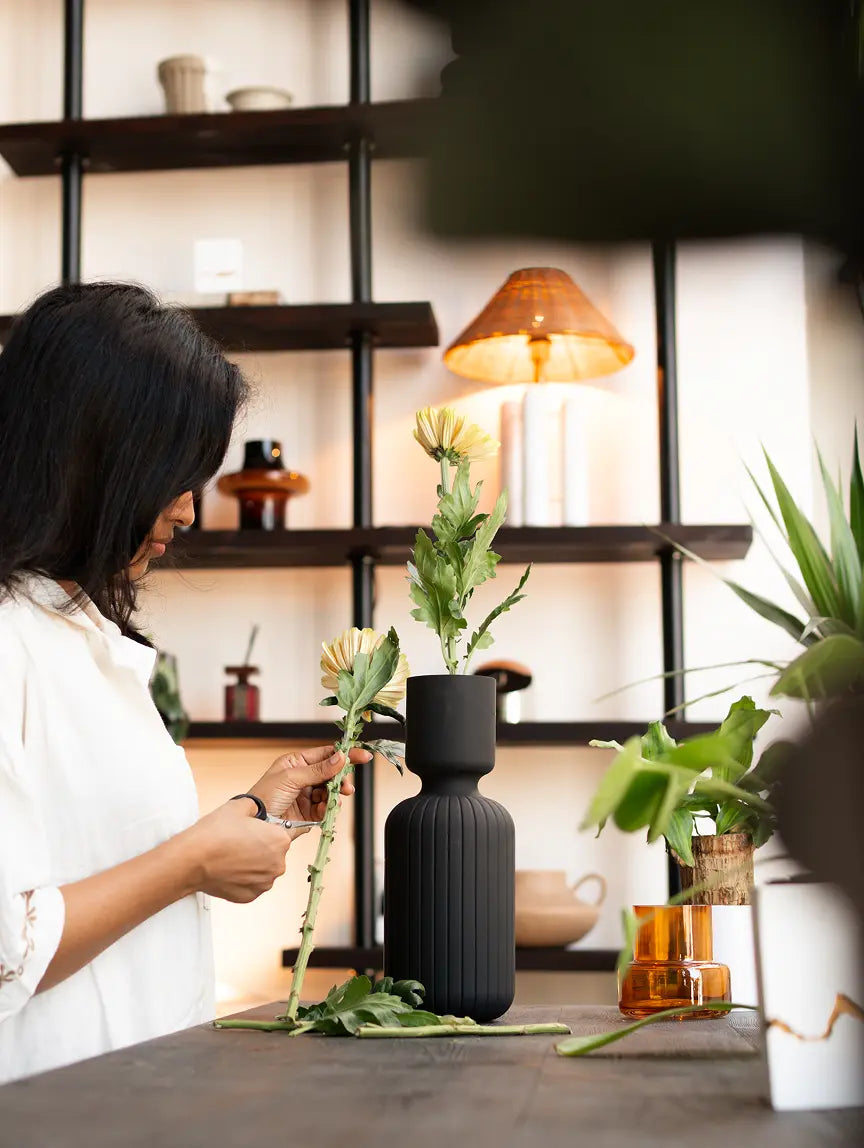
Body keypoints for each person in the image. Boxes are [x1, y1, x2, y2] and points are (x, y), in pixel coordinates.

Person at [0, 282, 369, 1084]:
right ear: (96, 457)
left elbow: (100, 856)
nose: (191, 511)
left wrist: (250, 811)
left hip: (135, 1097)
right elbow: (6, 953)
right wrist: (195, 861)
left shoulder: (88, 635)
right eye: (176, 474)